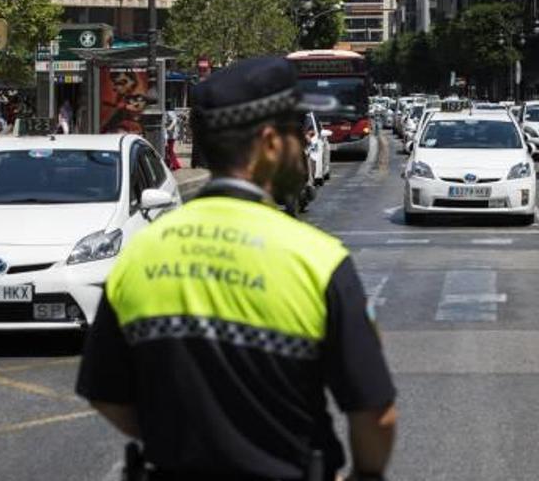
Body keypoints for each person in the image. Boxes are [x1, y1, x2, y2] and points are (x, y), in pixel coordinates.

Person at [76, 57, 397, 481]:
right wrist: (365, 474)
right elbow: (375, 412)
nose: (305, 144)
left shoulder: (142, 253)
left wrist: (187, 441)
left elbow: (106, 393)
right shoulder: (317, 259)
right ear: (268, 143)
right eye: (296, 131)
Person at [163, 103, 181, 170]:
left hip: (170, 135)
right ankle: (173, 164)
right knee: (169, 150)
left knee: (169, 150)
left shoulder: (169, 112)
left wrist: (169, 127)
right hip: (171, 135)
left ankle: (175, 165)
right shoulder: (172, 112)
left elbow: (174, 121)